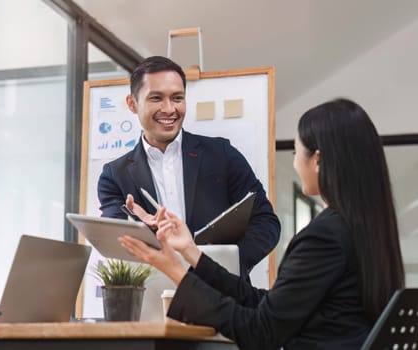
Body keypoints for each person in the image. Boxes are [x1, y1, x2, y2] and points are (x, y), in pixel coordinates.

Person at [119, 98, 405, 349]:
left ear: (317, 160)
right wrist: (191, 253)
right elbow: (268, 306)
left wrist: (175, 272)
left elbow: (260, 332)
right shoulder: (365, 229)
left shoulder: (325, 236)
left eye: (296, 152)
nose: (295, 163)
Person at [98, 56, 280, 272]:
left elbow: (266, 222)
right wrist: (141, 229)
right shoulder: (114, 175)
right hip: (153, 295)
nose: (169, 109)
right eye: (156, 98)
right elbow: (116, 246)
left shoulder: (222, 155)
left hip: (222, 297)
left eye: (177, 98)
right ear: (132, 103)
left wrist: (224, 267)